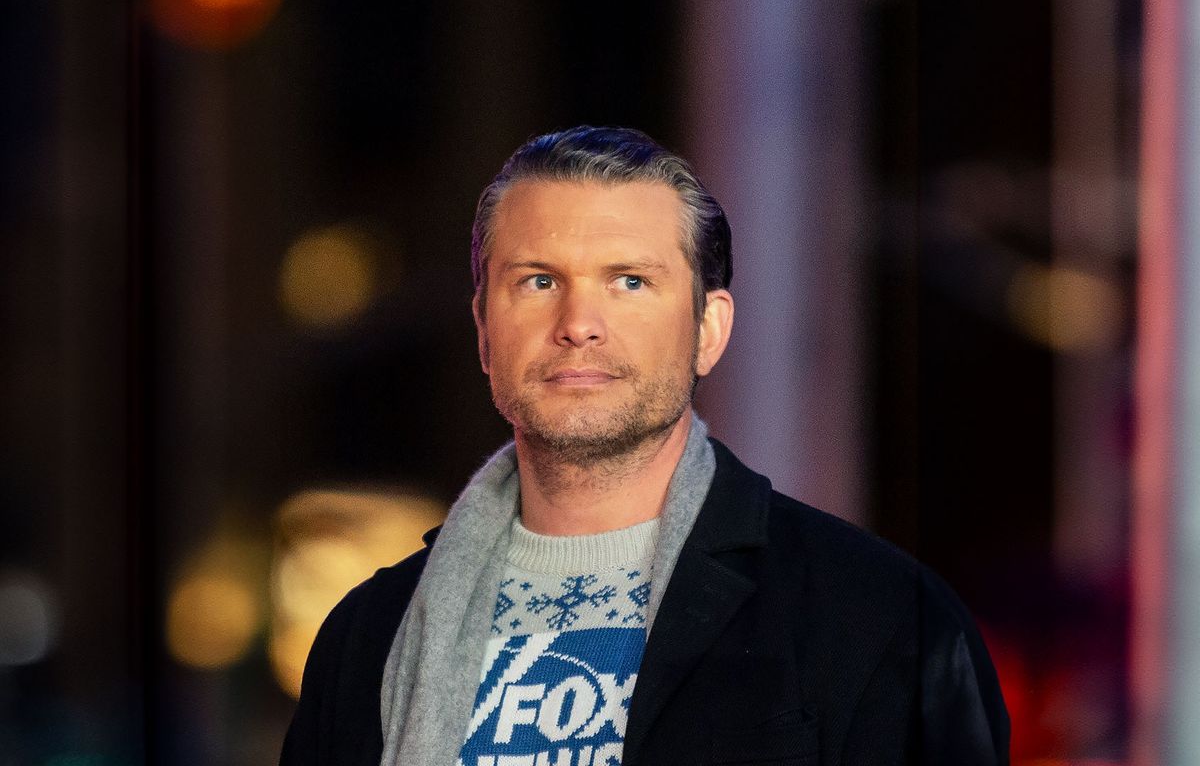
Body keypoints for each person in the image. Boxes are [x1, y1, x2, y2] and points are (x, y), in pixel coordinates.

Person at [279, 126, 1009, 766]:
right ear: (482, 329)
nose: (579, 323)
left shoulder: (880, 623)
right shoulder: (367, 640)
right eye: (538, 281)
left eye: (629, 281)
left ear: (708, 330)